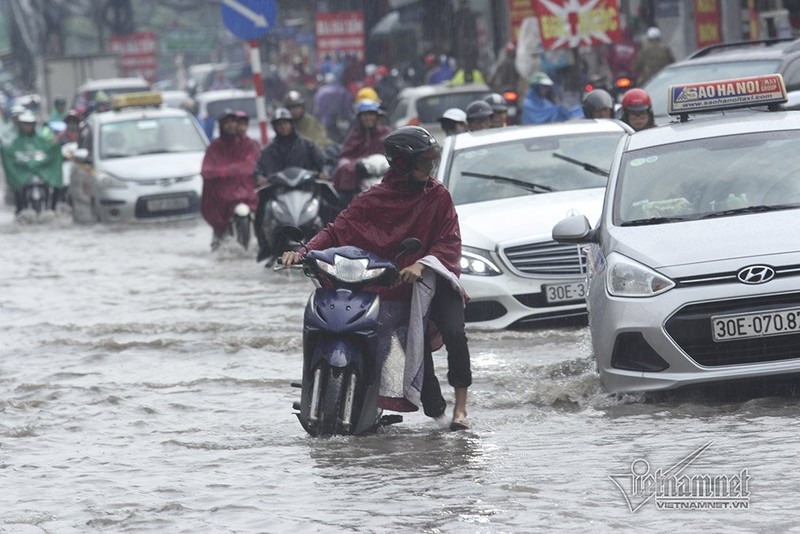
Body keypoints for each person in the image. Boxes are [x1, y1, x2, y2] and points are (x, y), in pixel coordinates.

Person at [281, 126, 472, 431]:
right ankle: (383, 406)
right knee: (398, 358)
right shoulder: (373, 198)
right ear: (402, 164)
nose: (429, 168)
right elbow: (336, 229)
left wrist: (422, 265)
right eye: (423, 162)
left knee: (454, 332)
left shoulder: (438, 196)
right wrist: (302, 252)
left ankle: (461, 408)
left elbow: (448, 241)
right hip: (393, 285)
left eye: (430, 161)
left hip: (432, 280)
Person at [253, 107, 327, 263]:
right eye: (279, 124)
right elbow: (258, 170)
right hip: (278, 193)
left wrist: (324, 172)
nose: (283, 126)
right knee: (261, 211)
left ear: (292, 124)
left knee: (328, 207)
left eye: (286, 123)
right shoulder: (268, 150)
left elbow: (324, 162)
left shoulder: (307, 145)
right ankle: (265, 247)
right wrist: (261, 178)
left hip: (306, 190)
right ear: (274, 127)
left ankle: (332, 245)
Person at [200, 109, 261, 250]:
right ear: (221, 125)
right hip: (223, 197)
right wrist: (222, 173)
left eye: (233, 122)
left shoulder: (248, 144)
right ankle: (219, 236)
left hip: (247, 194)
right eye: (227, 123)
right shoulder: (215, 147)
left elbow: (255, 162)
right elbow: (207, 169)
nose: (231, 125)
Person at [331, 99, 392, 208]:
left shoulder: (386, 133)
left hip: (384, 177)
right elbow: (346, 155)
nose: (368, 118)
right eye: (365, 115)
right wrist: (355, 165)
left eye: (371, 114)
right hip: (360, 178)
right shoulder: (355, 135)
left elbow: (394, 153)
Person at [0, 110, 63, 213]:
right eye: (25, 124)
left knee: (56, 186)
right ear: (21, 125)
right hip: (23, 174)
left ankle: (52, 207)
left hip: (41, 172)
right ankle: (19, 209)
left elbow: (49, 151)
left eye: (30, 124)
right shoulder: (16, 141)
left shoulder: (41, 140)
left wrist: (56, 145)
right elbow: (10, 154)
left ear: (34, 125)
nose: (27, 127)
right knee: (17, 188)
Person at [314, 72, 354, 143]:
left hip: (326, 120)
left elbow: (318, 105)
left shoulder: (321, 91)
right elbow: (348, 103)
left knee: (328, 137)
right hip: (341, 119)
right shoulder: (342, 90)